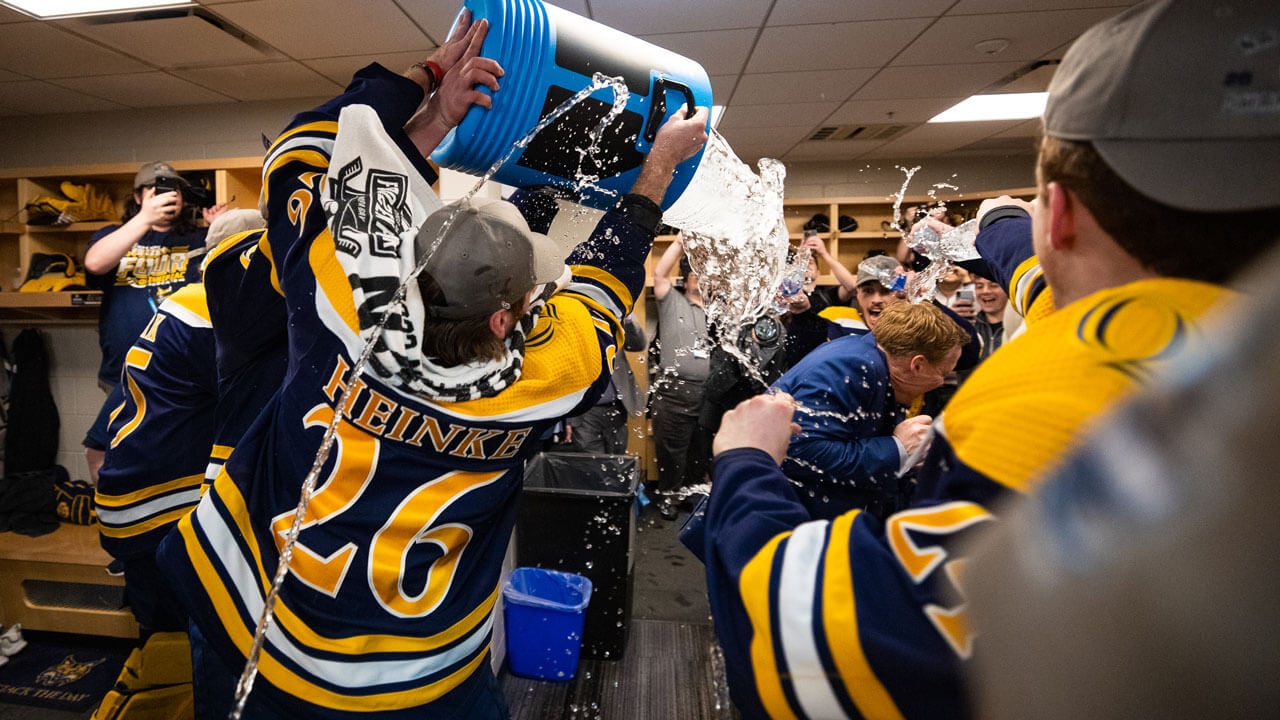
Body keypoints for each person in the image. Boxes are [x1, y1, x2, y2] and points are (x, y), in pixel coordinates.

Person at [692, 1, 1280, 718]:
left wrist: (747, 464)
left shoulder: (1069, 389)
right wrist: (1001, 227)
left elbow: (819, 650)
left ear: (1059, 215)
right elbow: (1036, 273)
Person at [157, 11, 709, 719]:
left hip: (253, 625)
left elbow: (299, 154)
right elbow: (608, 278)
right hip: (415, 676)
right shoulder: (546, 382)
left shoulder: (336, 302)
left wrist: (431, 86)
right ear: (508, 318)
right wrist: (657, 164)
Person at [90, 208, 266, 720]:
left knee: (160, 642)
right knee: (193, 654)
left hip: (131, 503)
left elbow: (98, 443)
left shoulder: (179, 305)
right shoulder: (224, 314)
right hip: (159, 515)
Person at [82, 161, 226, 486]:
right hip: (124, 372)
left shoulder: (199, 238)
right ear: (137, 196)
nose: (167, 196)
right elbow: (95, 262)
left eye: (173, 189)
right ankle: (118, 518)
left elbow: (225, 286)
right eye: (156, 189)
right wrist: (144, 219)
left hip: (183, 375)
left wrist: (221, 232)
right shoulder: (113, 236)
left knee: (177, 455)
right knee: (112, 450)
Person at [772, 301, 969, 520]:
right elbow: (799, 451)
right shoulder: (855, 367)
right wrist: (897, 449)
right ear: (918, 365)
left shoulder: (866, 356)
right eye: (943, 372)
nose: (941, 382)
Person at [649, 234, 713, 519]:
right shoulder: (672, 301)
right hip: (673, 391)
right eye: (694, 274)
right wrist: (678, 243)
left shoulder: (716, 312)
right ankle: (668, 497)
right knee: (670, 451)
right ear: (685, 280)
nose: (700, 279)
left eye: (704, 275)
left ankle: (691, 495)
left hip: (706, 394)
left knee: (699, 451)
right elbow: (659, 274)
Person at [565, 314, 646, 455]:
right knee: (594, 466)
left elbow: (637, 345)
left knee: (617, 464)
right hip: (585, 411)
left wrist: (629, 317)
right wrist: (567, 419)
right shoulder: (570, 314)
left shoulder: (613, 314)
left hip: (617, 408)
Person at [970, 274, 1009, 361]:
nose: (985, 291)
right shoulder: (969, 326)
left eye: (994, 286)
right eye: (979, 286)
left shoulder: (1020, 327)